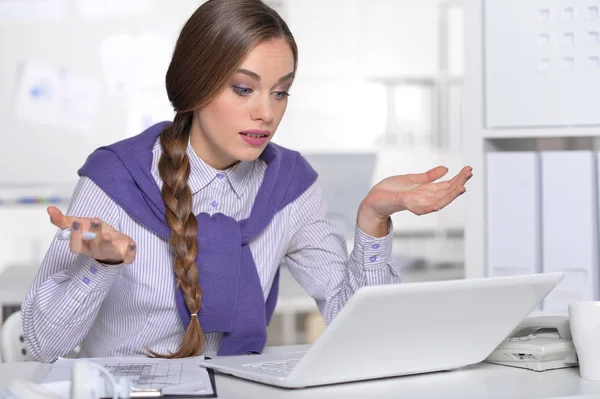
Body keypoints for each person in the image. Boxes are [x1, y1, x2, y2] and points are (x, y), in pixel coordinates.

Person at [21, 0, 472, 363]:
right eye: (244, 88)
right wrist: (98, 268)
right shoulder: (116, 179)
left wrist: (372, 220)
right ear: (196, 85)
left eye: (280, 91)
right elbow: (42, 346)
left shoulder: (289, 186)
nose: (267, 112)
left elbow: (366, 334)